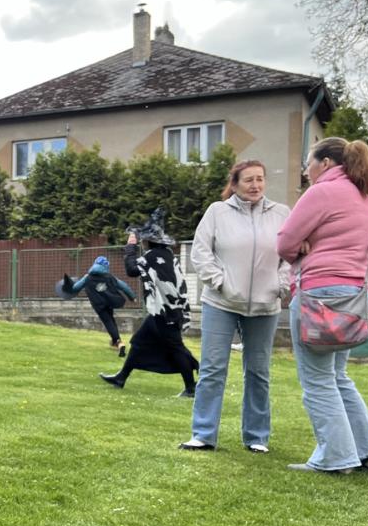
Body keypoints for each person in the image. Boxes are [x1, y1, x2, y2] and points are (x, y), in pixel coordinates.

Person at [276, 136, 368, 475]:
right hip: (355, 295)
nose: (306, 170)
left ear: (324, 163)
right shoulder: (364, 196)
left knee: (318, 381)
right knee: (338, 376)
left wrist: (301, 247)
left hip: (319, 296)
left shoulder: (321, 192)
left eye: (308, 163)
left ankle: (336, 458)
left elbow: (284, 242)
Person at [180, 161, 292, 453]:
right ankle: (203, 434)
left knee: (258, 372)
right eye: (248, 180)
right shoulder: (217, 212)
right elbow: (201, 252)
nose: (255, 185)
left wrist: (280, 286)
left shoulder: (282, 213)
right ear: (235, 183)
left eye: (260, 179)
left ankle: (256, 437)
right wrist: (219, 282)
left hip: (266, 306)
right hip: (221, 302)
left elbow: (291, 255)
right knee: (213, 368)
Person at [99, 208, 198, 396]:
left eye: (143, 239)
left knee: (176, 348)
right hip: (166, 311)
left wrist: (130, 247)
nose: (142, 242)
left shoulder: (152, 257)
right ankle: (121, 378)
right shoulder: (168, 255)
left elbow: (131, 270)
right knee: (139, 342)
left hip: (165, 313)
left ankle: (191, 388)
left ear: (148, 241)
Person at [62, 255, 135, 355]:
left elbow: (75, 288)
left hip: (98, 305)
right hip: (109, 302)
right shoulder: (110, 277)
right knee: (111, 319)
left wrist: (66, 285)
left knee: (108, 321)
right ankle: (115, 341)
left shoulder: (87, 277)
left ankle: (118, 342)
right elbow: (123, 286)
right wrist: (132, 297)